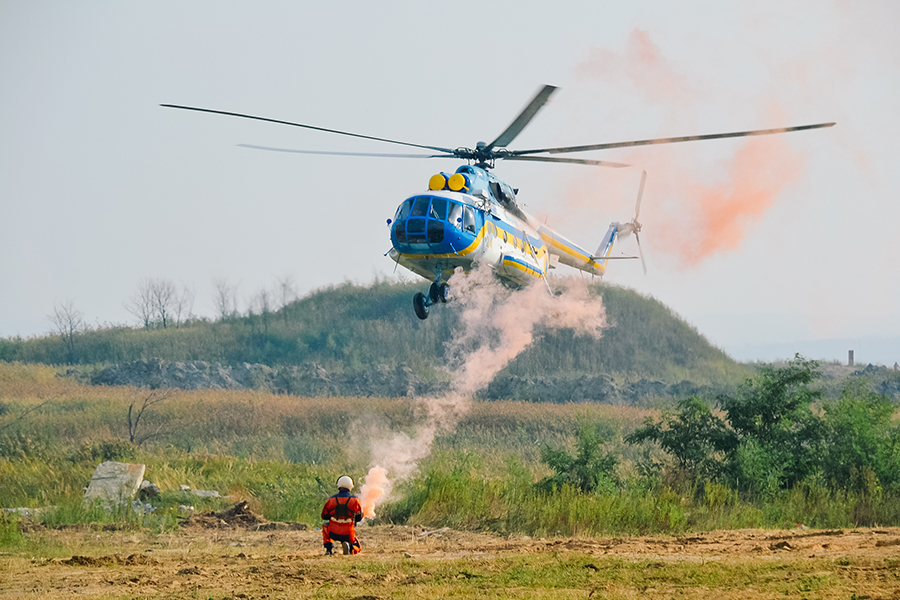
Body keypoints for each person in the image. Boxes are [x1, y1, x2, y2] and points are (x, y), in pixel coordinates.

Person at [321, 475, 362, 555]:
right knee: (358, 546)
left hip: (333, 532)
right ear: (350, 486)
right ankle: (350, 547)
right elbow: (359, 517)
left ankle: (329, 549)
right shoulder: (355, 500)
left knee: (325, 526)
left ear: (339, 486)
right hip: (348, 533)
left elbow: (324, 516)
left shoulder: (331, 500)